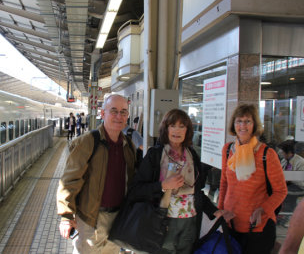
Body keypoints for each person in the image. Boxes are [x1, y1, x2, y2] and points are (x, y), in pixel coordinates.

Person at [127, 108, 228, 254]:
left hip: (190, 224)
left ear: (187, 130)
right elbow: (137, 190)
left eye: (182, 126)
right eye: (173, 125)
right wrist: (163, 185)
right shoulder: (155, 155)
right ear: (166, 128)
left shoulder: (191, 155)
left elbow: (197, 191)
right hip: (162, 223)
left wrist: (214, 211)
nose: (177, 130)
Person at [57, 94, 136, 254]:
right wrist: (66, 216)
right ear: (102, 113)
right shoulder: (87, 142)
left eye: (123, 112)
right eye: (113, 111)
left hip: (118, 219)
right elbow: (70, 180)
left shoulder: (128, 145)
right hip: (90, 219)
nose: (119, 116)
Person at [218, 104, 287, 254]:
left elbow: (281, 190)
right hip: (231, 223)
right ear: (233, 124)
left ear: (254, 124)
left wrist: (263, 210)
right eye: (239, 121)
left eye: (247, 121)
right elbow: (224, 183)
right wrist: (220, 211)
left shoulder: (267, 154)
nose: (242, 125)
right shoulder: (228, 150)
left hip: (258, 227)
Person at [278, 140, 304, 213]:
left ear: (289, 152)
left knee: (283, 194)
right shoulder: (284, 161)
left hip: (297, 188)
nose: (281, 154)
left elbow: (301, 181)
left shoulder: (301, 162)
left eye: (282, 152)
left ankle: (287, 214)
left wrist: (290, 178)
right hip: (286, 185)